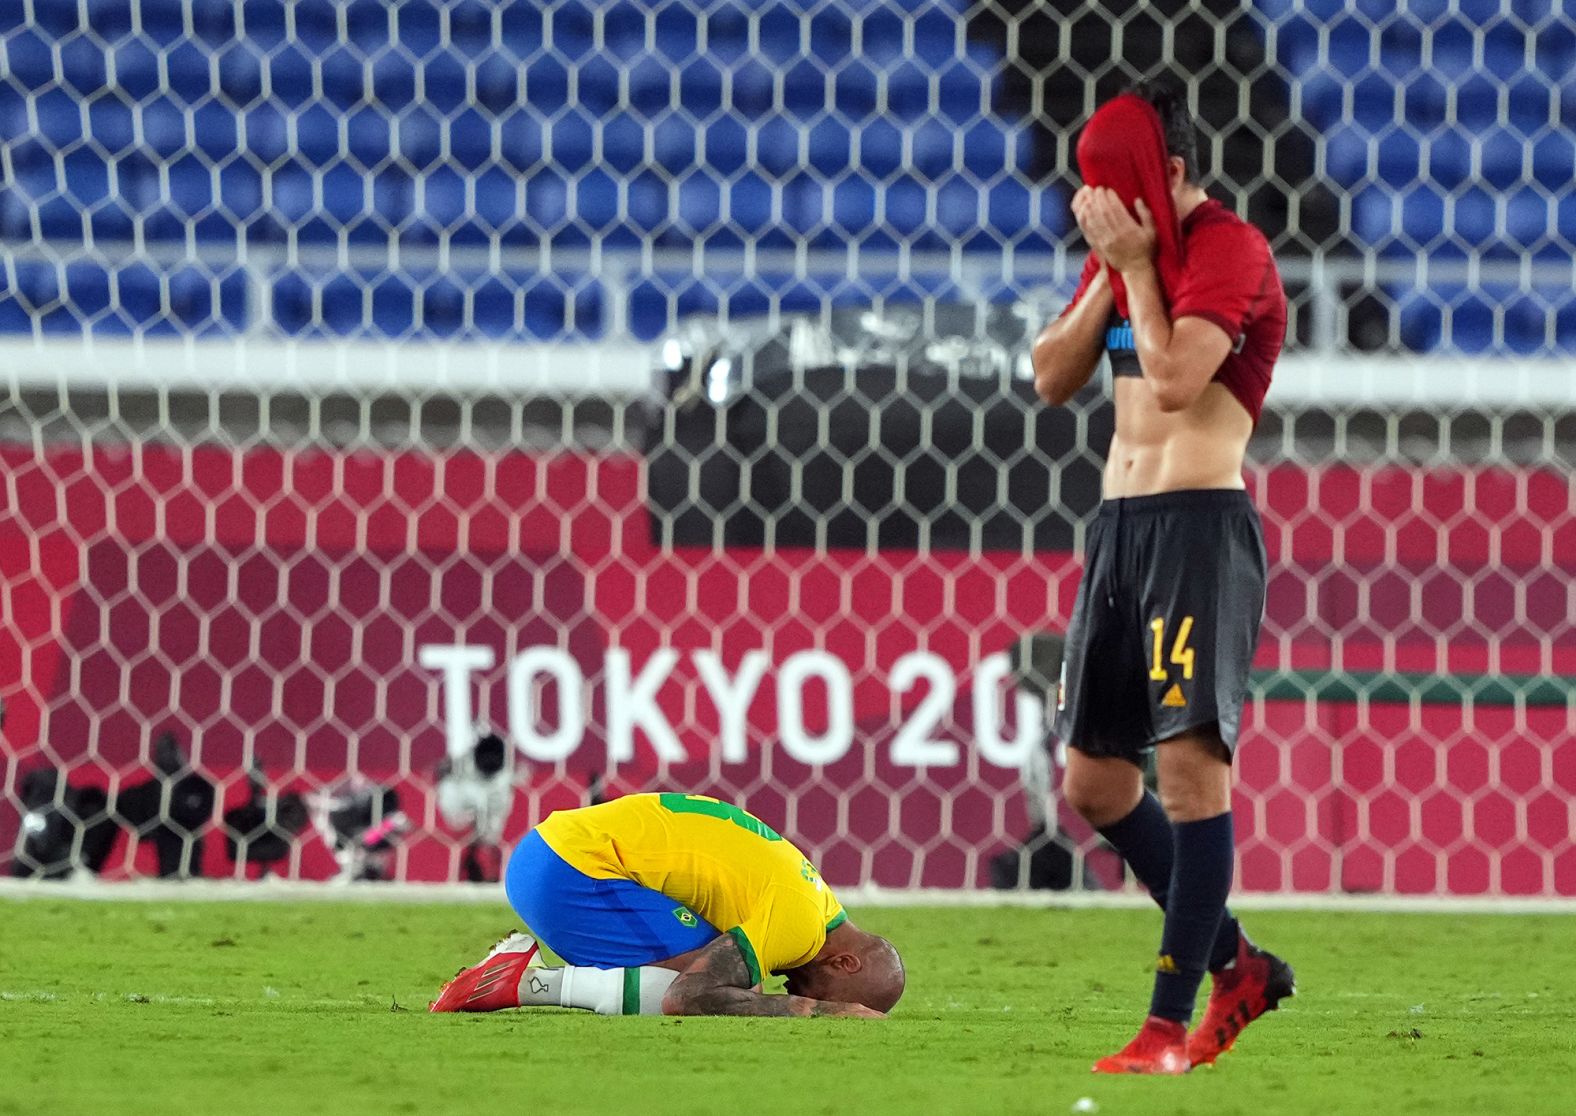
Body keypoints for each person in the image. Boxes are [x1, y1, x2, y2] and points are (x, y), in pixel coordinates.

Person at [1032, 80, 1295, 1074]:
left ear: (1172, 174)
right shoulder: (1121, 260)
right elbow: (1049, 377)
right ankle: (1239, 967)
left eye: (1117, 187)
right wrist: (1112, 267)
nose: (1098, 205)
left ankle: (1164, 1026)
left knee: (1187, 777)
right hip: (1118, 532)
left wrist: (1138, 268)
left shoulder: (1229, 250)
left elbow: (1178, 381)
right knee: (1094, 783)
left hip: (1195, 526)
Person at [429, 793, 904, 1018]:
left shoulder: (812, 895)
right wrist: (818, 1013)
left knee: (735, 984)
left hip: (551, 852)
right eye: (827, 993)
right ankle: (529, 982)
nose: (804, 990)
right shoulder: (801, 925)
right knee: (731, 996)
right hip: (572, 872)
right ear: (846, 962)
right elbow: (687, 996)